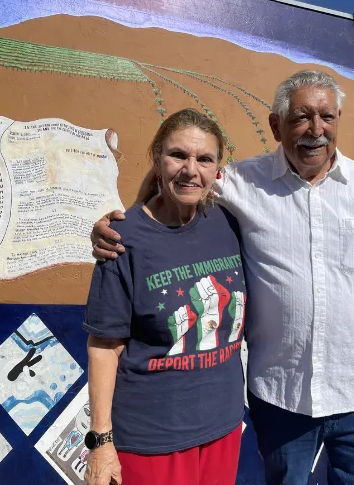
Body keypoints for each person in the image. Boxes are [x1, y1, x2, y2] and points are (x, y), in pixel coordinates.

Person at [92, 70, 354, 485]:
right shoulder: (241, 182)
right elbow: (181, 178)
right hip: (282, 399)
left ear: (338, 120)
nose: (315, 130)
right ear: (276, 125)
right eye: (301, 117)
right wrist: (123, 225)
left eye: (326, 117)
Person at [84, 109, 246, 485]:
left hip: (223, 427)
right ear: (157, 159)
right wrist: (101, 443)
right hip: (151, 440)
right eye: (177, 155)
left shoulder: (229, 224)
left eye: (204, 159)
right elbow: (105, 346)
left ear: (217, 169)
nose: (191, 170)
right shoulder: (121, 239)